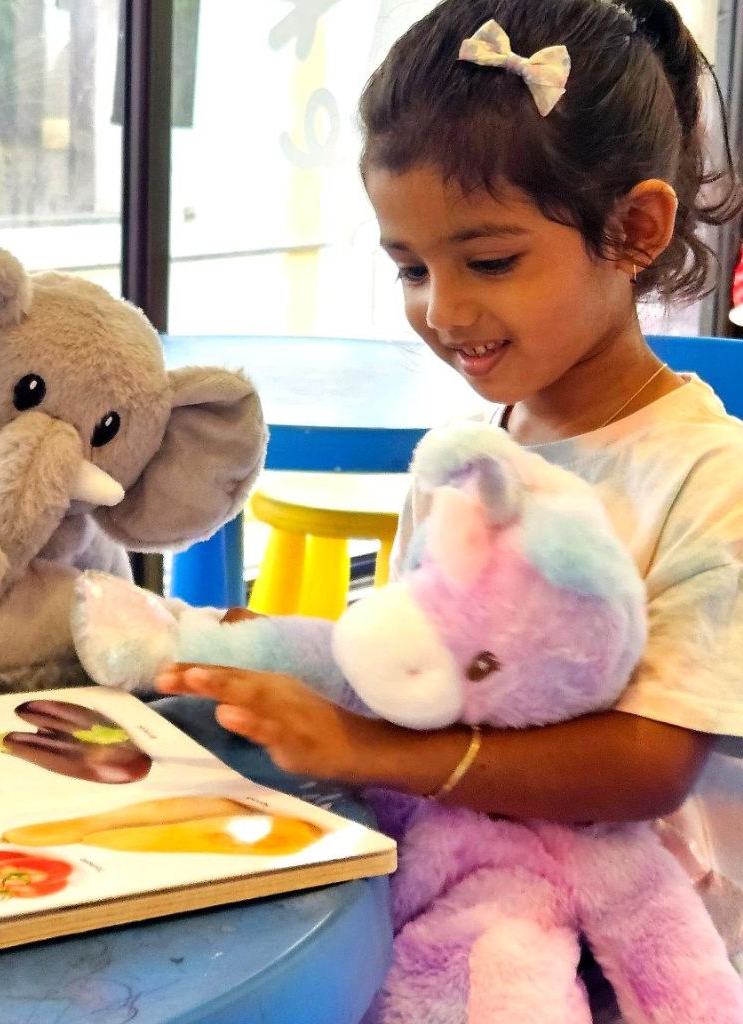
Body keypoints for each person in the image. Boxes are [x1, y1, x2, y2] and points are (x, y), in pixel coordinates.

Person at [159, 0, 743, 833]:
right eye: (410, 270)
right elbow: (443, 670)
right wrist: (313, 665)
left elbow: (646, 767)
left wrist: (362, 748)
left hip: (630, 934)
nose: (443, 309)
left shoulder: (711, 478)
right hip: (464, 884)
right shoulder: (474, 457)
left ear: (634, 229)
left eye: (491, 261)